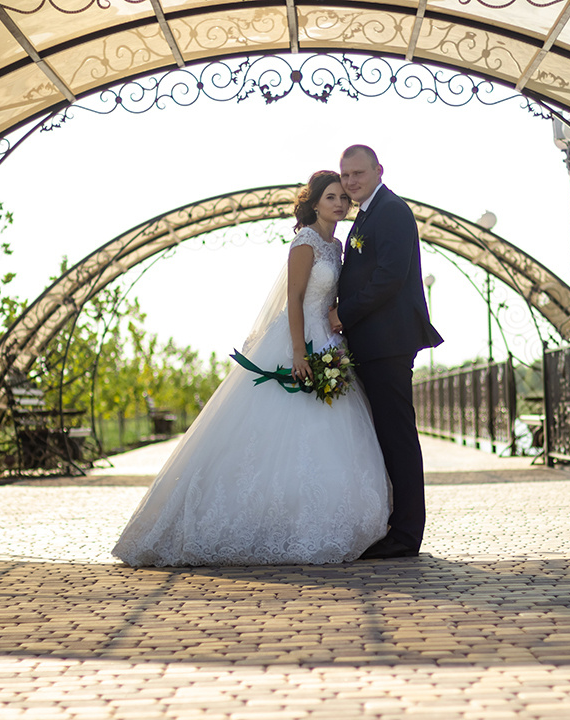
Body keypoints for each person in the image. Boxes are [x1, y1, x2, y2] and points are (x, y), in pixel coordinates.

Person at [112, 171, 391, 566]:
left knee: (322, 435)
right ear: (313, 203)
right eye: (331, 197)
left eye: (343, 198)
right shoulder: (305, 243)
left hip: (329, 341)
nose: (340, 204)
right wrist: (298, 351)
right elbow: (293, 300)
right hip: (298, 338)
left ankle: (311, 519)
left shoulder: (337, 246)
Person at [330, 144, 443, 559]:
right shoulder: (367, 214)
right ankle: (396, 524)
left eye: (358, 173)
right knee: (387, 437)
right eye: (345, 176)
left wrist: (343, 313)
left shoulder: (392, 211)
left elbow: (390, 276)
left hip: (387, 343)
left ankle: (407, 534)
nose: (351, 182)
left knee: (398, 438)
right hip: (372, 343)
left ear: (379, 170)